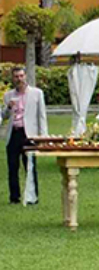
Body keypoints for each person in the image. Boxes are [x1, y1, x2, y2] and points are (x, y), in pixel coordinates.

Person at [3, 68, 48, 206]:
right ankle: (14, 197)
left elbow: (42, 116)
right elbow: (3, 116)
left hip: (29, 134)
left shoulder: (36, 93)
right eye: (16, 76)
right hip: (14, 133)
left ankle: (32, 196)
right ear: (13, 78)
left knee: (30, 166)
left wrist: (43, 137)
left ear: (25, 76)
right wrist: (8, 108)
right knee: (12, 166)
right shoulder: (8, 95)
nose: (19, 79)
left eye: (21, 76)